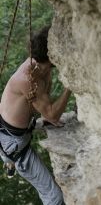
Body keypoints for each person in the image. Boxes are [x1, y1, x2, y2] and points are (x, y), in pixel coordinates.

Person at [0, 26, 71, 205]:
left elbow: (44, 104)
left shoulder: (38, 67)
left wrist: (46, 75)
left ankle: (9, 161)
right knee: (54, 197)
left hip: (15, 132)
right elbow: (53, 115)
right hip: (14, 144)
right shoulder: (27, 79)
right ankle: (10, 160)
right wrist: (69, 86)